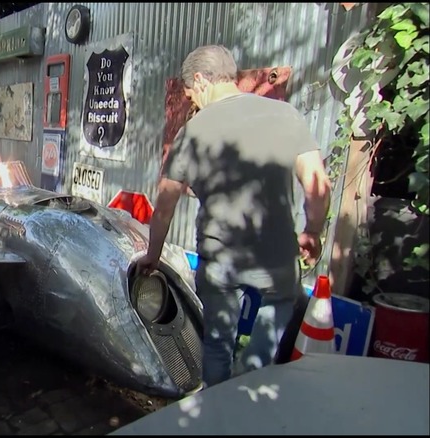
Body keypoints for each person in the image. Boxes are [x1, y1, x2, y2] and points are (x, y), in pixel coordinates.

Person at [136, 45, 331, 388]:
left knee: (216, 346)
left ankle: (217, 408)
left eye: (191, 94)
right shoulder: (285, 115)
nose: (193, 102)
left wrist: (153, 256)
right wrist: (312, 231)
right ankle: (249, 382)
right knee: (275, 317)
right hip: (277, 259)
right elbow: (318, 186)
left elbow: (165, 205)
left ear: (201, 80)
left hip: (220, 260)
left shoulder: (191, 134)